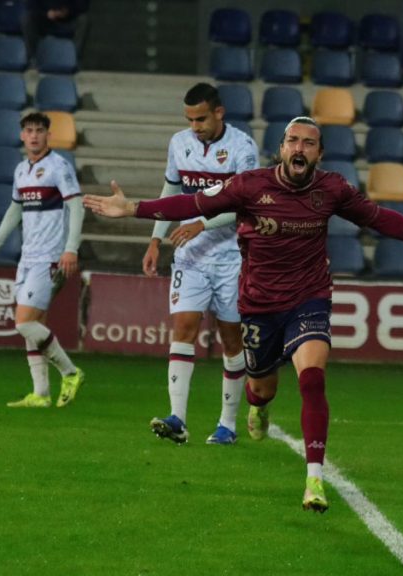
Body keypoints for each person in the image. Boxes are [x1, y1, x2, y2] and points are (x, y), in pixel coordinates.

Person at [84, 116, 403, 512]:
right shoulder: (249, 185)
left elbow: (378, 218)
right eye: (292, 140)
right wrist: (134, 207)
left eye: (308, 143)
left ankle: (314, 479)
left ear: (319, 153)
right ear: (281, 148)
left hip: (309, 298)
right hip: (259, 305)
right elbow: (191, 202)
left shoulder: (333, 189)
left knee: (312, 379)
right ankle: (257, 407)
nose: (299, 148)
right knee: (262, 389)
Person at [143, 83, 259, 446]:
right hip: (189, 256)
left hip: (231, 258)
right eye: (189, 119)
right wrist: (155, 239)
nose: (195, 125)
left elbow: (245, 205)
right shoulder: (179, 143)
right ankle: (177, 418)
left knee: (230, 339)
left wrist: (201, 224)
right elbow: (171, 192)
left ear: (219, 112)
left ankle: (227, 425)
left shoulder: (243, 148)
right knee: (184, 328)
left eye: (201, 118)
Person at [0, 112, 84, 408]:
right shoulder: (21, 170)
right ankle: (40, 393)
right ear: (22, 136)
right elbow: (15, 210)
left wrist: (71, 248)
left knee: (24, 323)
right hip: (28, 256)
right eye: (29, 131)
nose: (34, 136)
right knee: (35, 324)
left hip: (51, 257)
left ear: (48, 135)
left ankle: (71, 371)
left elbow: (77, 207)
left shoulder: (59, 167)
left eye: (40, 130)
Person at [21, 0, 89, 60]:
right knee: (27, 19)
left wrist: (67, 11)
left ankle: (74, 58)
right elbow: (30, 5)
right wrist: (46, 13)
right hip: (43, 19)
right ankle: (32, 59)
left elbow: (82, 6)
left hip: (67, 19)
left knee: (83, 20)